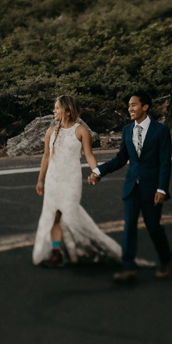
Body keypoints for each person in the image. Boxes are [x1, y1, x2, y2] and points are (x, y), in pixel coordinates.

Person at [90, 92, 172, 284]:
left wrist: (161, 189)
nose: (130, 109)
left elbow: (165, 163)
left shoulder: (161, 131)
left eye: (134, 105)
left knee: (153, 228)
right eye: (129, 106)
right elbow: (121, 159)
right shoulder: (127, 130)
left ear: (145, 107)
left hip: (152, 189)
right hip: (131, 187)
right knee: (129, 227)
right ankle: (128, 268)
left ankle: (166, 260)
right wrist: (99, 171)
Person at [31, 94, 119, 265]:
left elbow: (88, 155)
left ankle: (87, 247)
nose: (54, 110)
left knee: (69, 215)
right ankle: (57, 251)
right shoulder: (51, 131)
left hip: (71, 179)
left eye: (57, 107)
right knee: (54, 215)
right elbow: (46, 157)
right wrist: (40, 179)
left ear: (67, 111)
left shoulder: (81, 131)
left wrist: (96, 172)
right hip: (53, 179)